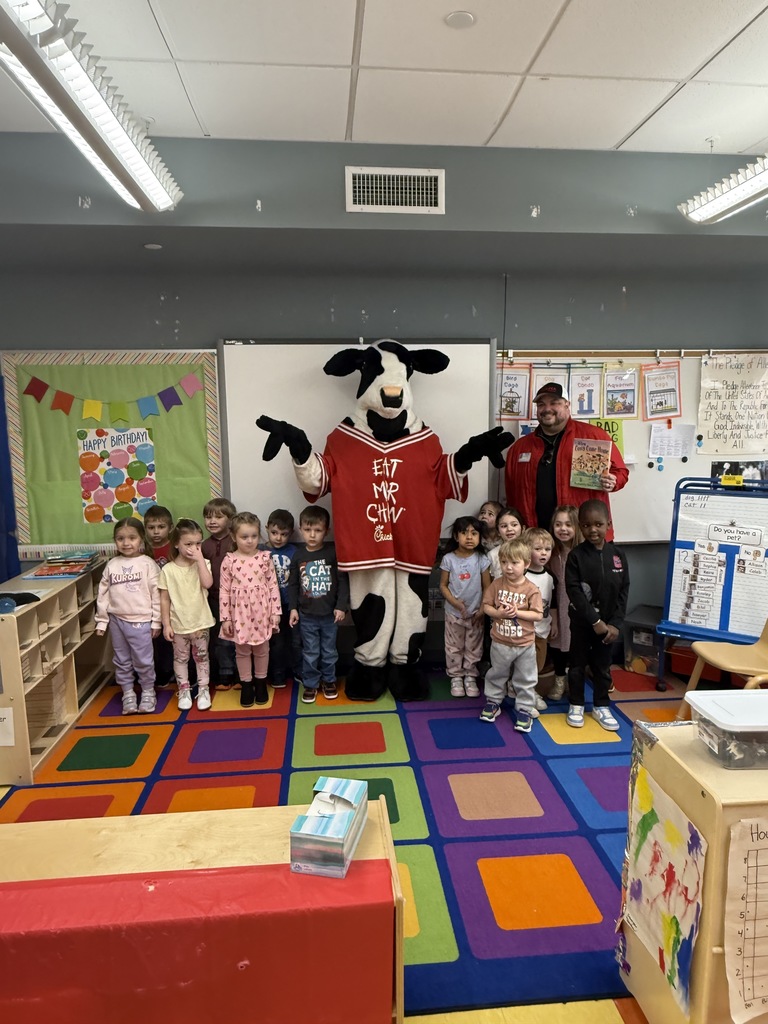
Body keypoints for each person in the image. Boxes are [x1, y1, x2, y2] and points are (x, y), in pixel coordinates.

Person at [505, 382, 628, 538]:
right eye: (541, 404)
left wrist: (613, 481)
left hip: (584, 536)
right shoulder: (519, 448)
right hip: (535, 539)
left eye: (554, 403)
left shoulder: (594, 436)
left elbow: (621, 472)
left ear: (567, 405)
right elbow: (511, 495)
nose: (547, 409)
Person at [564, 500, 629, 731]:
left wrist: (615, 625)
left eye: (599, 524)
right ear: (580, 527)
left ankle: (602, 705)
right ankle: (576, 703)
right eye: (587, 525)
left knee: (603, 666)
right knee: (577, 665)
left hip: (609, 627)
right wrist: (595, 621)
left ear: (608, 524)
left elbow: (623, 591)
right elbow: (574, 591)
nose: (593, 530)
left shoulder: (618, 555)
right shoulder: (575, 556)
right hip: (583, 623)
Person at [95, 518, 161, 715]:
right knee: (121, 659)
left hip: (141, 620)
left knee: (143, 660)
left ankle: (148, 691)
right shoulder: (112, 565)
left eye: (132, 538)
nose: (126, 543)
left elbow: (158, 594)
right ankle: (128, 693)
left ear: (141, 539)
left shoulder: (148, 564)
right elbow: (103, 594)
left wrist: (156, 621)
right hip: (116, 620)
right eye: (120, 538)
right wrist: (101, 620)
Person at [219, 511, 282, 708]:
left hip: (262, 612)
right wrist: (226, 618)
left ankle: (261, 683)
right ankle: (246, 684)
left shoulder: (264, 558)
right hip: (239, 614)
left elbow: (273, 586)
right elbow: (224, 591)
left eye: (254, 536)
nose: (249, 541)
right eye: (244, 537)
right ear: (234, 537)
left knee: (262, 649)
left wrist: (275, 613)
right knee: (242, 651)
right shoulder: (229, 561)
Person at [480, 538, 543, 732]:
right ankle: (493, 702)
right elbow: (486, 606)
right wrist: (498, 613)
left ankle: (524, 709)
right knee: (496, 673)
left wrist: (518, 613)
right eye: (504, 562)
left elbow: (538, 615)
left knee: (525, 678)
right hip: (500, 641)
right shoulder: (497, 584)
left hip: (524, 644)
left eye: (514, 563)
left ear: (526, 564)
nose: (508, 567)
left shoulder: (531, 589)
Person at [288, 505, 349, 704]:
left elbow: (343, 581)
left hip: (330, 615)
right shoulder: (298, 555)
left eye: (318, 530)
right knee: (311, 651)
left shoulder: (332, 553)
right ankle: (311, 684)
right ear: (300, 529)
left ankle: (329, 681)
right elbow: (294, 584)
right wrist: (293, 609)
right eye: (307, 530)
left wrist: (341, 606)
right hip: (306, 615)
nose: (312, 535)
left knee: (329, 651)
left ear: (326, 531)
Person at [158, 518, 215, 712]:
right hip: (179, 625)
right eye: (189, 544)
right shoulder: (168, 569)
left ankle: (204, 689)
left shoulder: (203, 563)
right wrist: (166, 624)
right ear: (176, 543)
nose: (194, 548)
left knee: (202, 658)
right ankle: (183, 690)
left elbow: (207, 583)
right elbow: (164, 599)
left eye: (198, 543)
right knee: (180, 659)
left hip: (200, 622)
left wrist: (199, 559)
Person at [439, 515, 491, 697]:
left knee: (474, 646)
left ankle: (470, 676)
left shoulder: (482, 559)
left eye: (474, 533)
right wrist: (454, 601)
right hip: (454, 613)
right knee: (454, 646)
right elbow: (443, 585)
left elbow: (487, 587)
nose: (469, 537)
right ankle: (455, 676)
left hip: (476, 612)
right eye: (464, 533)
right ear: (455, 536)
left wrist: (483, 609)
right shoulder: (448, 559)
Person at [263, 507, 302, 689]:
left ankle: (299, 671)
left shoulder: (294, 552)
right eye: (274, 533)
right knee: (276, 643)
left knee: (296, 641)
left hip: (291, 605)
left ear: (291, 534)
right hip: (270, 608)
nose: (278, 538)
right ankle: (277, 675)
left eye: (284, 534)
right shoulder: (261, 552)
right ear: (266, 529)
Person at [201, 498, 237, 690]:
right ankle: (226, 673)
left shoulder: (235, 542)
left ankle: (241, 673)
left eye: (218, 517)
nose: (212, 521)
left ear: (230, 520)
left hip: (238, 600)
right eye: (208, 517)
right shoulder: (203, 546)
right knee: (220, 637)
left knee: (239, 637)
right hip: (214, 599)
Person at [547, 504, 581, 701]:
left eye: (568, 524)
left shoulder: (581, 552)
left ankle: (573, 680)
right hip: (555, 606)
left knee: (575, 644)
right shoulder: (550, 552)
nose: (563, 529)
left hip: (576, 607)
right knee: (557, 641)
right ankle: (559, 679)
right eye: (558, 524)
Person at [522, 526, 556, 716]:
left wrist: (555, 623)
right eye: (538, 549)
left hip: (542, 628)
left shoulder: (550, 577)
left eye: (547, 549)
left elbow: (553, 603)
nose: (543, 553)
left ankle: (531, 692)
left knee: (538, 664)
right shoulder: (522, 576)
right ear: (527, 550)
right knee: (524, 664)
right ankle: (525, 697)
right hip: (524, 631)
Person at [144, 504, 175, 687]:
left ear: (170, 528)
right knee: (157, 639)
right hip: (150, 603)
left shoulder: (174, 547)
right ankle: (162, 671)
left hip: (173, 601)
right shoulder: (143, 550)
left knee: (174, 636)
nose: (156, 532)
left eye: (161, 527)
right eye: (151, 528)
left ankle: (177, 670)